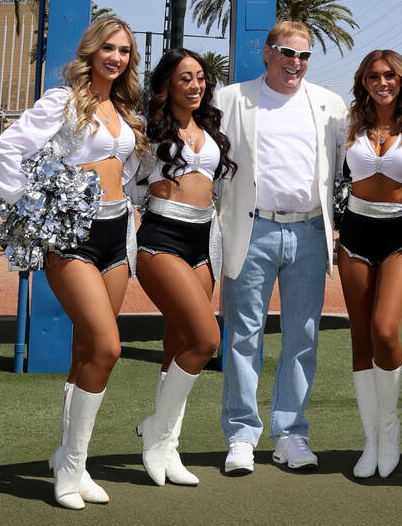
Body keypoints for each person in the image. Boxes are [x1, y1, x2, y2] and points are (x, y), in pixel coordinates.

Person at [0, 17, 145, 510]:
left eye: (124, 51)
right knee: (107, 346)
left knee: (86, 351)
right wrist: (32, 207)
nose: (115, 57)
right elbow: (5, 149)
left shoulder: (124, 110)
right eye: (108, 48)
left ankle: (69, 459)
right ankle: (72, 468)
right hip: (71, 235)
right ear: (91, 51)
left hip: (117, 234)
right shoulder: (61, 101)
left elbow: (131, 170)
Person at [215, 21, 347, 475]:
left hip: (310, 233)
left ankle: (291, 434)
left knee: (302, 337)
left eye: (304, 56)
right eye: (287, 53)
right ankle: (240, 436)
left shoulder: (332, 105)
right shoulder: (229, 99)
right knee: (243, 335)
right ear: (267, 54)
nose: (296, 63)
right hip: (253, 231)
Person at [134, 48, 236, 486]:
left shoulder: (211, 127)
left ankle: (167, 443)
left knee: (177, 342)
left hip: (204, 238)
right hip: (162, 235)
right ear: (166, 85)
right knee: (205, 338)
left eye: (200, 78)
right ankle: (156, 434)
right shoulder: (147, 128)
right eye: (184, 79)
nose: (195, 86)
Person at [338, 49, 402, 479]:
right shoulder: (348, 123)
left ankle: (389, 428)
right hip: (354, 233)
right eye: (373, 76)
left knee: (385, 330)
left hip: (398, 234)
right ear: (364, 82)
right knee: (360, 335)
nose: (382, 83)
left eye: (389, 75)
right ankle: (370, 439)